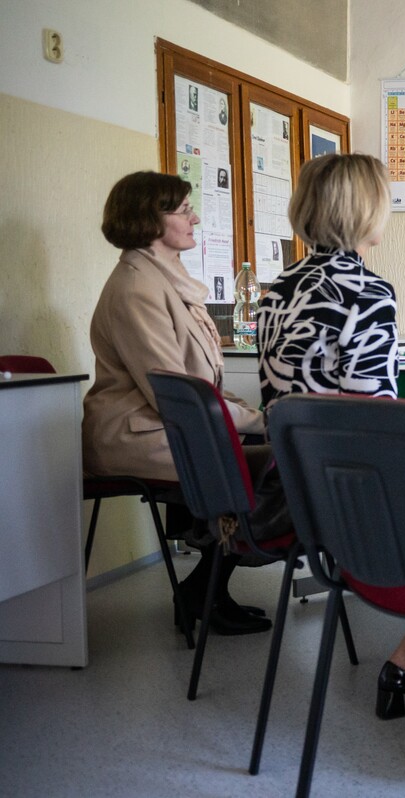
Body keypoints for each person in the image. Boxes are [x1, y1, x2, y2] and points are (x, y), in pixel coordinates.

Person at [256, 153, 405, 719]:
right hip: (347, 495)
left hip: (294, 488)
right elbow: (374, 416)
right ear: (362, 209)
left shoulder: (276, 290)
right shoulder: (367, 292)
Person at [83, 171, 270, 636]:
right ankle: (201, 591)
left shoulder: (166, 279)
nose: (196, 219)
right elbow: (178, 396)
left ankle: (207, 590)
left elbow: (197, 383)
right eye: (183, 210)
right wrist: (260, 421)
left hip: (164, 425)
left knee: (265, 456)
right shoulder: (136, 288)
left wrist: (253, 420)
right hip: (133, 436)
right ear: (149, 218)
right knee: (265, 466)